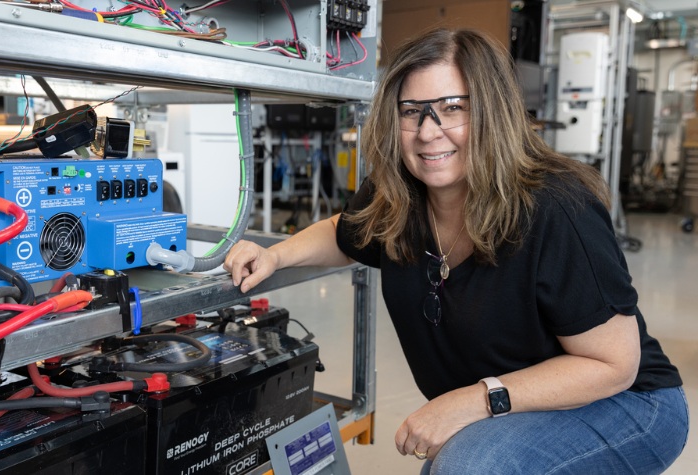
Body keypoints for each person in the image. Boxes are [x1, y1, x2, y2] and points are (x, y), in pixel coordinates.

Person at [223, 27, 688, 473]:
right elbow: (345, 232)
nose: (428, 132)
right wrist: (277, 255)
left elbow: (613, 365)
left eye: (452, 107)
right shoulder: (399, 195)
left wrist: (472, 402)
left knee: (468, 466)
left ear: (493, 112)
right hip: (515, 399)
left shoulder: (557, 209)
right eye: (412, 111)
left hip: (628, 404)